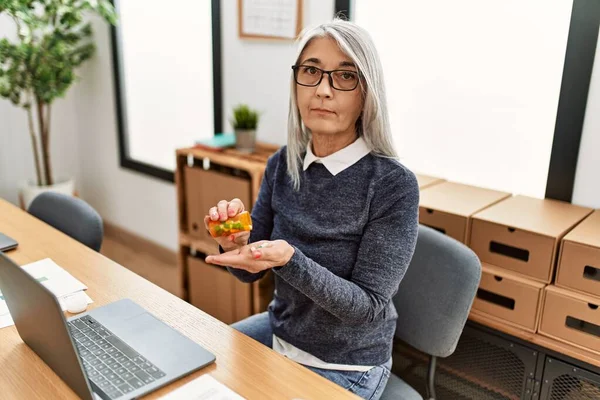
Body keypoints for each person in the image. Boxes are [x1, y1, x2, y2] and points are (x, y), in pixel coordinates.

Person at [204, 18, 419, 400]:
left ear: (366, 92)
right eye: (311, 71)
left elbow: (367, 307)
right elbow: (250, 275)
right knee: (199, 378)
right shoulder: (282, 164)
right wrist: (237, 242)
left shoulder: (392, 185)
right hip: (282, 333)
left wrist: (289, 260)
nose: (322, 90)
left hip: (346, 364)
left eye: (345, 76)